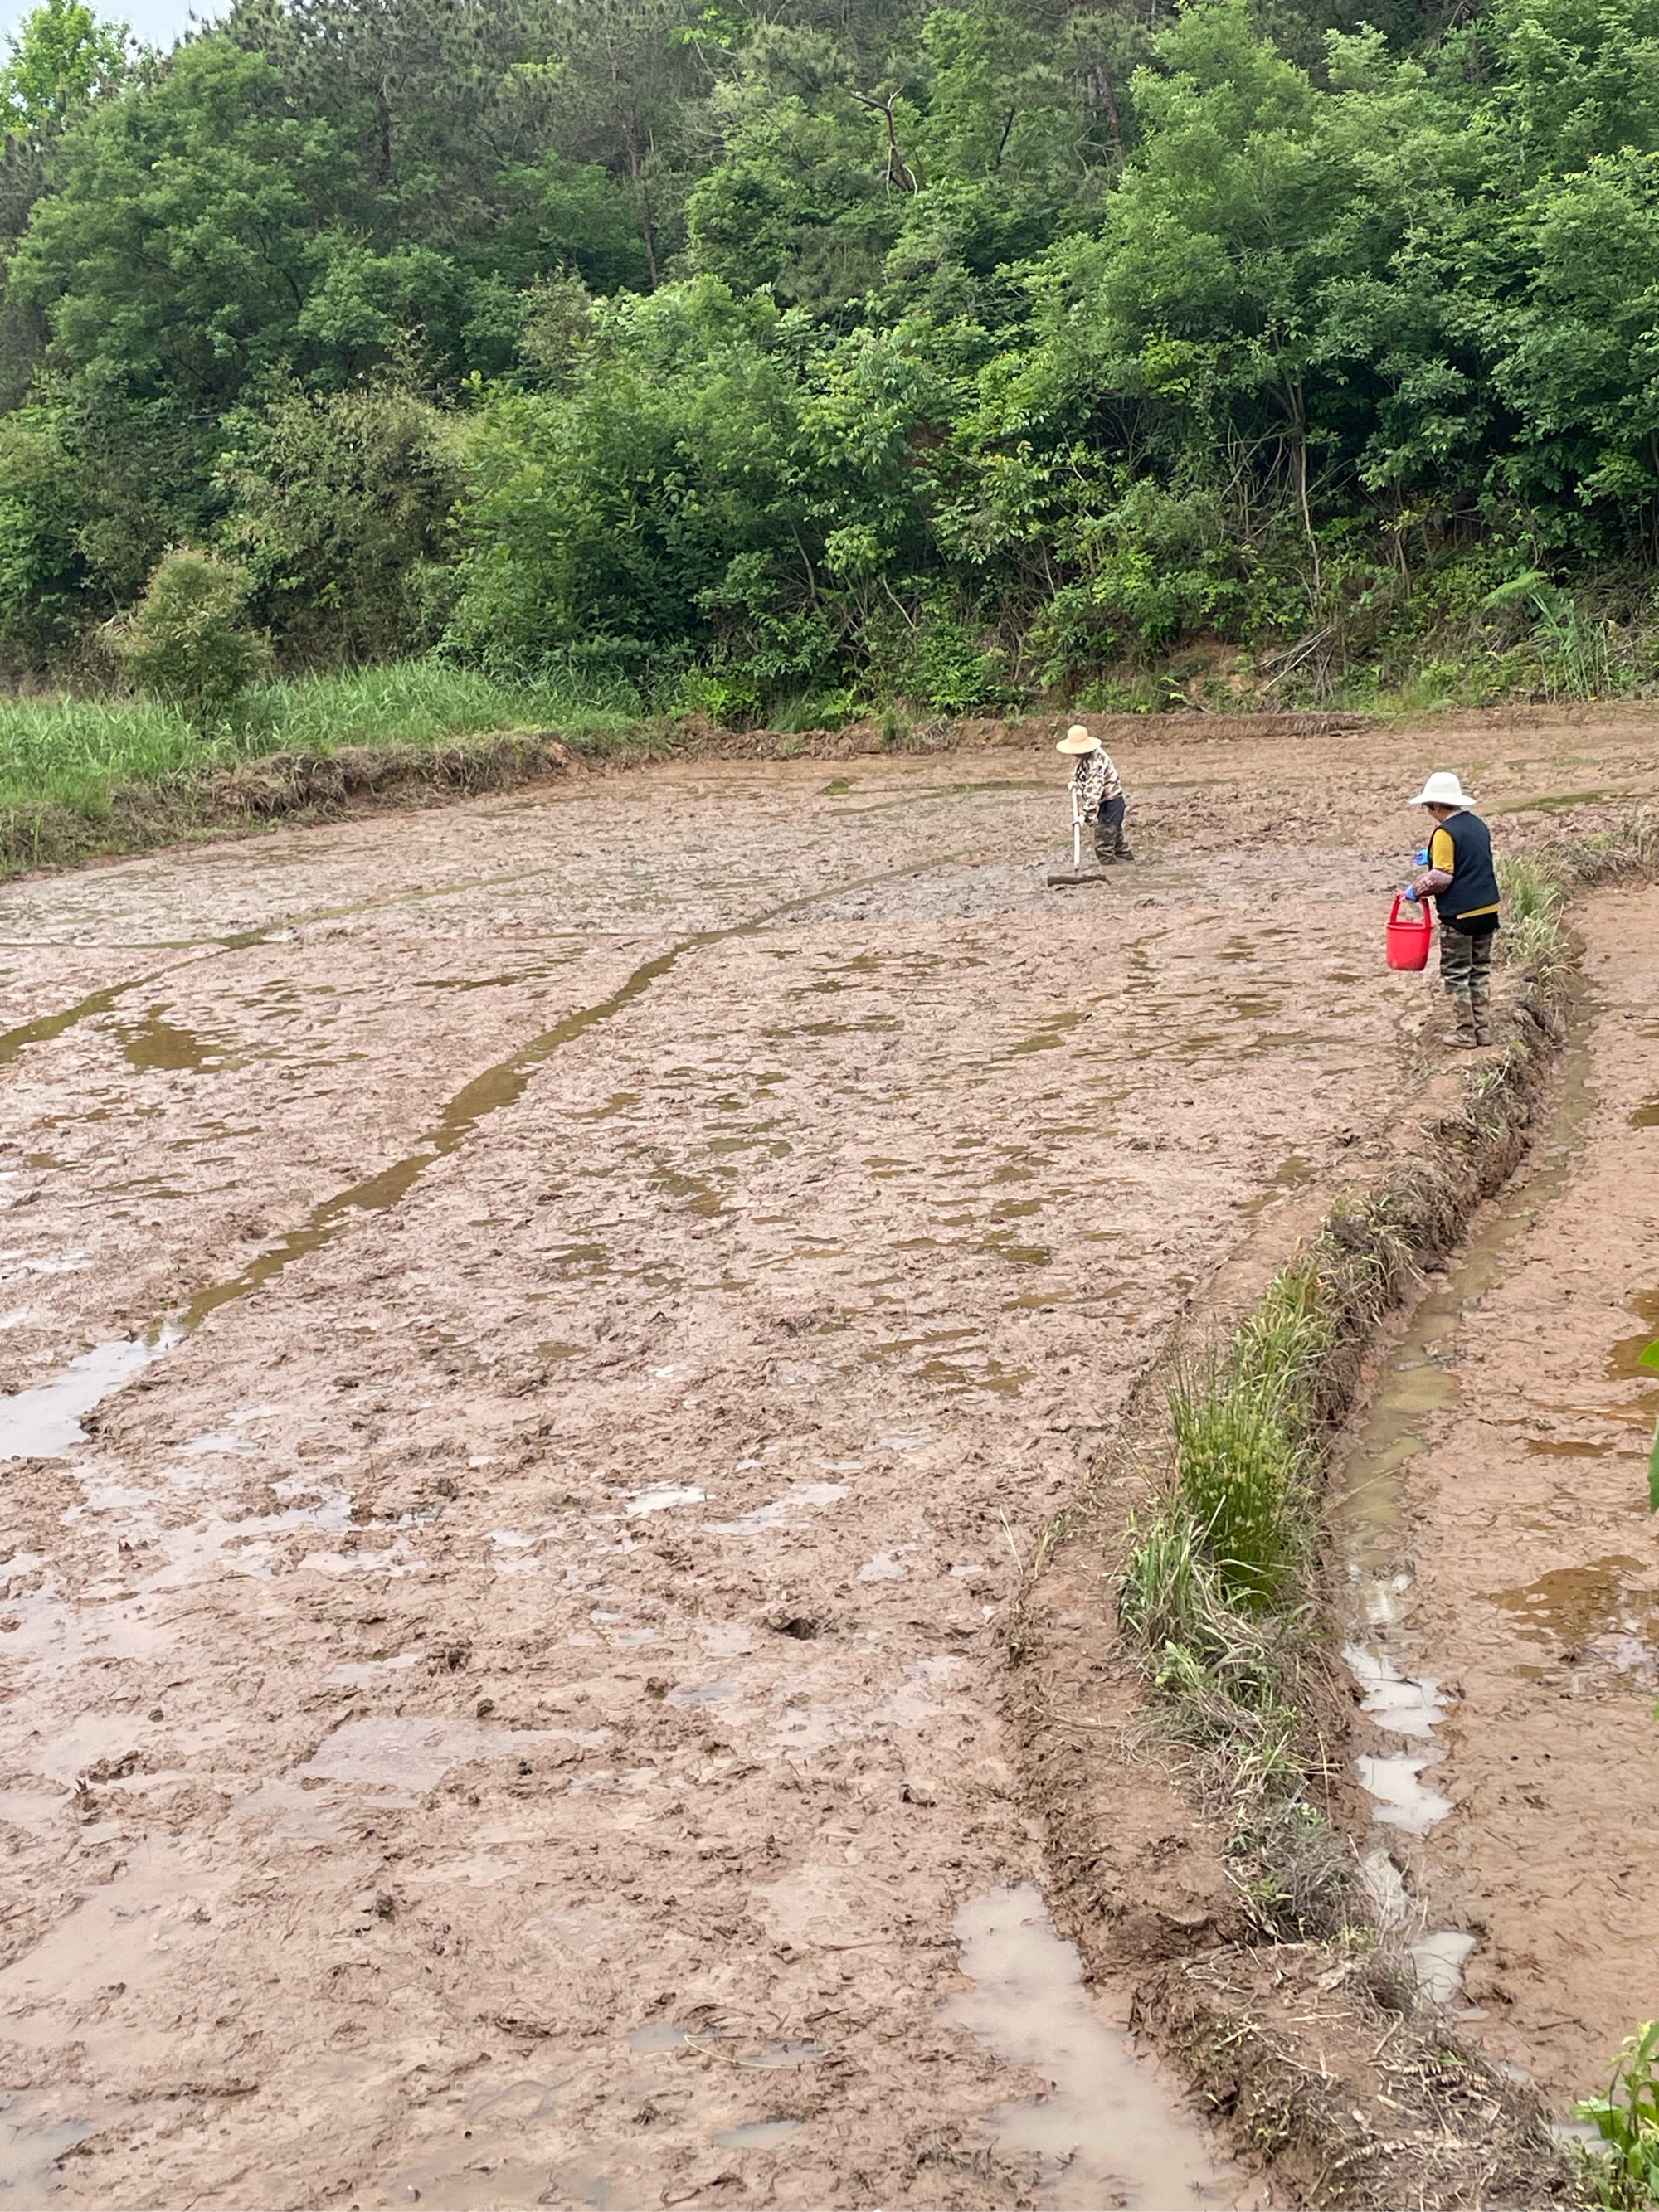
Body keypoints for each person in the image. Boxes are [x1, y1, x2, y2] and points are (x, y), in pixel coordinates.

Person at [1407, 770, 1501, 1048]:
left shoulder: (1444, 832)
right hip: (1487, 910)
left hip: (1460, 915)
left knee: (1457, 973)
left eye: (1428, 807)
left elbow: (1442, 876)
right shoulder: (1478, 825)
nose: (1428, 812)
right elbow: (1469, 858)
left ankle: (1465, 1033)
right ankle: (1483, 1031)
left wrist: (1415, 890)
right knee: (1480, 970)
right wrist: (1432, 855)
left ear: (1437, 806)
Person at [1054, 723, 1133, 863]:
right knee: (1117, 842)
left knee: (1103, 847)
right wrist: (1076, 782)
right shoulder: (1085, 756)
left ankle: (1115, 875)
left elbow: (1094, 791)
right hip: (1107, 804)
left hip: (1111, 804)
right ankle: (1129, 867)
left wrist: (1085, 815)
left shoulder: (1097, 761)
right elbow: (1081, 771)